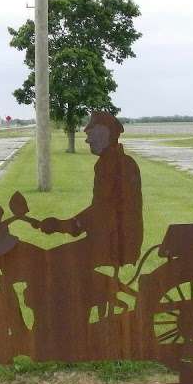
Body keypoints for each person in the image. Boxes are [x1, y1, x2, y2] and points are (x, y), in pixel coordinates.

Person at [38, 111, 143, 268]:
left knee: (51, 260)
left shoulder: (110, 165)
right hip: (115, 239)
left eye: (91, 135)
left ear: (104, 134)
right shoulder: (117, 161)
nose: (87, 141)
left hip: (116, 244)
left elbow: (102, 210)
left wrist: (65, 225)